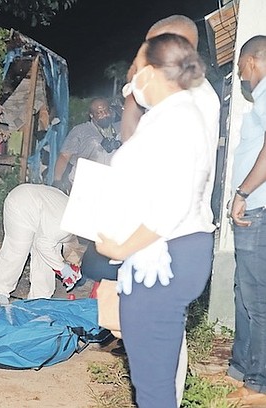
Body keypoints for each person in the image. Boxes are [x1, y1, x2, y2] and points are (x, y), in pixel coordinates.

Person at [95, 33, 214, 408]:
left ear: (154, 72)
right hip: (158, 248)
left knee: (153, 381)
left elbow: (171, 204)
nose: (132, 80)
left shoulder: (178, 119)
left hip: (163, 253)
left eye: (136, 70)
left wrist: (122, 247)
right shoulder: (166, 115)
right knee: (150, 372)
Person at [227, 35, 266, 406]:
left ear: (252, 61)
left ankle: (258, 384)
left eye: (240, 64)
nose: (239, 72)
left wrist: (242, 193)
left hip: (257, 210)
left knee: (258, 300)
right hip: (253, 211)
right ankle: (240, 369)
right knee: (242, 293)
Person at [0, 184, 81, 305]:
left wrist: (74, 267)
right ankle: (0, 290)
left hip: (40, 210)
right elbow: (43, 244)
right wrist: (62, 268)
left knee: (50, 252)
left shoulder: (74, 220)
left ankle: (40, 297)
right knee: (19, 247)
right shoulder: (65, 225)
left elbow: (71, 246)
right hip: (21, 203)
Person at [52, 97, 120, 194]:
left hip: (110, 184)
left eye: (106, 110)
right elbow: (64, 156)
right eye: (99, 112)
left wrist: (120, 110)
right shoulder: (80, 131)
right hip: (84, 183)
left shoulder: (119, 128)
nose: (104, 114)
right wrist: (57, 180)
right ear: (91, 115)